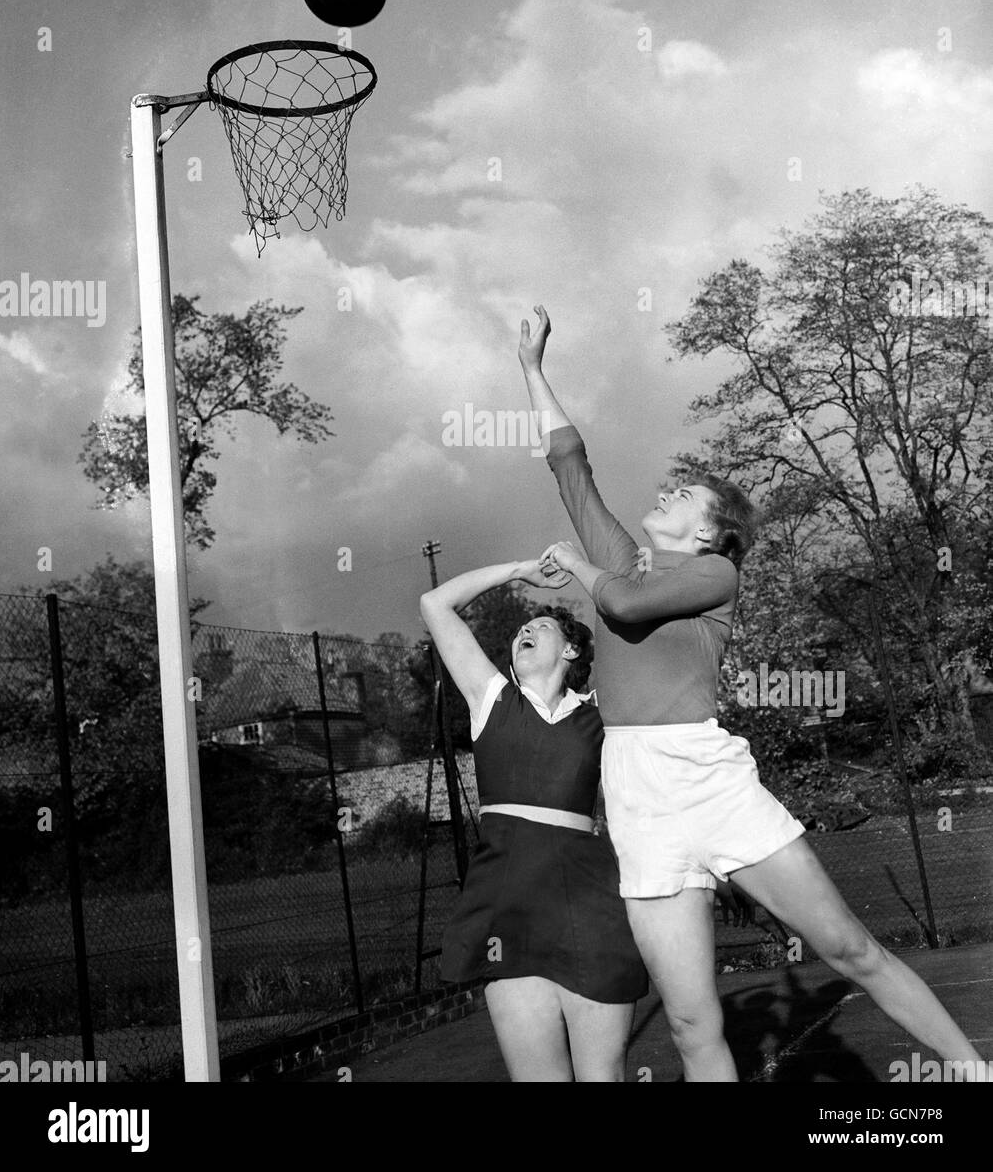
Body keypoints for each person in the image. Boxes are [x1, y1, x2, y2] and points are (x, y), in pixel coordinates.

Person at [518, 303, 985, 1083]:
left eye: (683, 493)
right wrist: (532, 369)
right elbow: (571, 467)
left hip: (708, 777)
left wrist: (581, 566)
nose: (665, 491)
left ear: (708, 532)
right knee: (694, 1020)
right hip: (636, 793)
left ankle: (972, 1072)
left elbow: (621, 606)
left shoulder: (713, 574)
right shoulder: (625, 561)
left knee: (847, 949)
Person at [420, 557, 648, 1082]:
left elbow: (638, 633)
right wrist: (520, 570)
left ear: (570, 650)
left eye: (540, 627)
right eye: (521, 628)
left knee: (602, 1077)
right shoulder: (492, 699)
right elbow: (436, 605)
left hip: (590, 902)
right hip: (507, 904)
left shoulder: (602, 710)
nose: (524, 629)